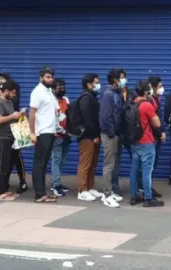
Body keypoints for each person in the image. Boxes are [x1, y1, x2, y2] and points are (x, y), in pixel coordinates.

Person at [129, 80, 164, 208]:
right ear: (145, 91)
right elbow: (157, 124)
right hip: (146, 141)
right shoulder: (146, 105)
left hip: (134, 142)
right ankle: (148, 198)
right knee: (146, 171)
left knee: (134, 169)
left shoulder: (132, 103)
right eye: (149, 88)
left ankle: (134, 196)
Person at [29, 67, 58, 203]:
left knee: (44, 163)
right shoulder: (37, 92)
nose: (50, 79)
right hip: (42, 132)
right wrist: (32, 133)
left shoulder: (49, 92)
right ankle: (39, 194)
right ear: (41, 78)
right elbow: (32, 113)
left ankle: (42, 193)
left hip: (50, 131)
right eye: (48, 77)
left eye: (51, 77)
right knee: (39, 163)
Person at [0, 80, 24, 201]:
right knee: (2, 165)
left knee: (9, 165)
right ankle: (0, 191)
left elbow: (11, 118)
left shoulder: (10, 102)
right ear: (6, 91)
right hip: (2, 137)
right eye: (12, 93)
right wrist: (13, 116)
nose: (14, 95)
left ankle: (5, 189)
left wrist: (19, 116)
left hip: (12, 136)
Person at [99, 68, 125, 208]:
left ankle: (111, 191)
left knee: (114, 163)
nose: (124, 80)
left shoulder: (116, 94)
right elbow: (105, 116)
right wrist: (110, 133)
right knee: (109, 164)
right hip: (110, 134)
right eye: (122, 77)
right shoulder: (109, 94)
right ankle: (107, 194)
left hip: (115, 133)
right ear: (115, 80)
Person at [76, 73, 103, 201]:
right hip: (87, 137)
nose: (98, 85)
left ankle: (90, 187)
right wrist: (94, 135)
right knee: (85, 163)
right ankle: (82, 190)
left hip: (94, 136)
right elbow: (88, 119)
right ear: (89, 84)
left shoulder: (92, 97)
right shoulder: (86, 98)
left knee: (93, 163)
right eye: (96, 82)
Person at [50, 78, 71, 197]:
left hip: (66, 135)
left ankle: (57, 181)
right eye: (59, 87)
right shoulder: (52, 102)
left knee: (62, 160)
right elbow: (53, 121)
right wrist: (63, 131)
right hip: (57, 135)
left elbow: (69, 116)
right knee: (56, 160)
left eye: (63, 87)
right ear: (53, 89)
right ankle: (55, 185)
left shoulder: (66, 100)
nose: (62, 89)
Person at [146, 76, 166, 197]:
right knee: (149, 166)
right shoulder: (151, 101)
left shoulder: (156, 100)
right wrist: (160, 133)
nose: (162, 89)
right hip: (152, 137)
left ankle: (148, 187)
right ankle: (146, 190)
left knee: (153, 165)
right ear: (153, 88)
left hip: (156, 137)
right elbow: (153, 121)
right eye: (159, 86)